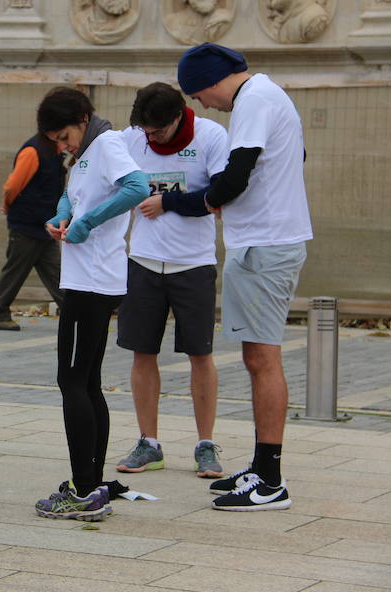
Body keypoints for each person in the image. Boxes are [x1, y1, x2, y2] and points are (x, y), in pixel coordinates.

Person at [178, 43, 312, 511]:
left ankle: (271, 481)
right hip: (266, 239)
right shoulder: (269, 94)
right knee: (259, 356)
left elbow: (236, 174)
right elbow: (296, 156)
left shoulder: (253, 99)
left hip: (265, 244)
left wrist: (202, 202)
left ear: (213, 81)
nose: (201, 105)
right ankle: (261, 465)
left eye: (197, 95)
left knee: (262, 358)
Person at [32, 87, 148, 522]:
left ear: (82, 118)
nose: (62, 147)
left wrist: (87, 223)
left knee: (73, 382)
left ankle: (83, 491)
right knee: (86, 381)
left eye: (64, 136)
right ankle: (92, 481)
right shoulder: (85, 151)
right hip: (84, 279)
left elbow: (136, 187)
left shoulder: (107, 144)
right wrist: (61, 216)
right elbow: (73, 194)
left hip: (94, 281)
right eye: (56, 142)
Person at [114, 82, 227, 479]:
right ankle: (149, 443)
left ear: (178, 116)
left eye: (157, 131)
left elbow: (219, 196)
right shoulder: (131, 138)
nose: (150, 137)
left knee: (200, 355)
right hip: (143, 262)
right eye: (145, 131)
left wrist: (168, 201)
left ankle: (205, 445)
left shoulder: (211, 136)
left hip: (193, 264)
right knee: (142, 353)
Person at [0, 129, 66, 332]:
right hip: (26, 224)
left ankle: (73, 310)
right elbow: (12, 186)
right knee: (16, 270)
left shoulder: (55, 150)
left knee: (57, 271)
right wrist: (7, 204)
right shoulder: (33, 150)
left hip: (47, 224)